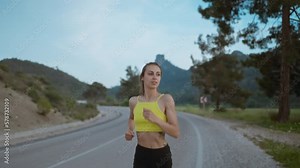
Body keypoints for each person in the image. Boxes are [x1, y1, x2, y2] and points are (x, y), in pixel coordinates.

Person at [125, 62, 180, 168]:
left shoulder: (166, 100)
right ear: (142, 77)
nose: (155, 77)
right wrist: (130, 130)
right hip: (141, 154)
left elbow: (176, 132)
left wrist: (156, 120)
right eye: (150, 74)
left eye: (158, 74)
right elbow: (131, 118)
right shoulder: (133, 101)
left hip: (161, 155)